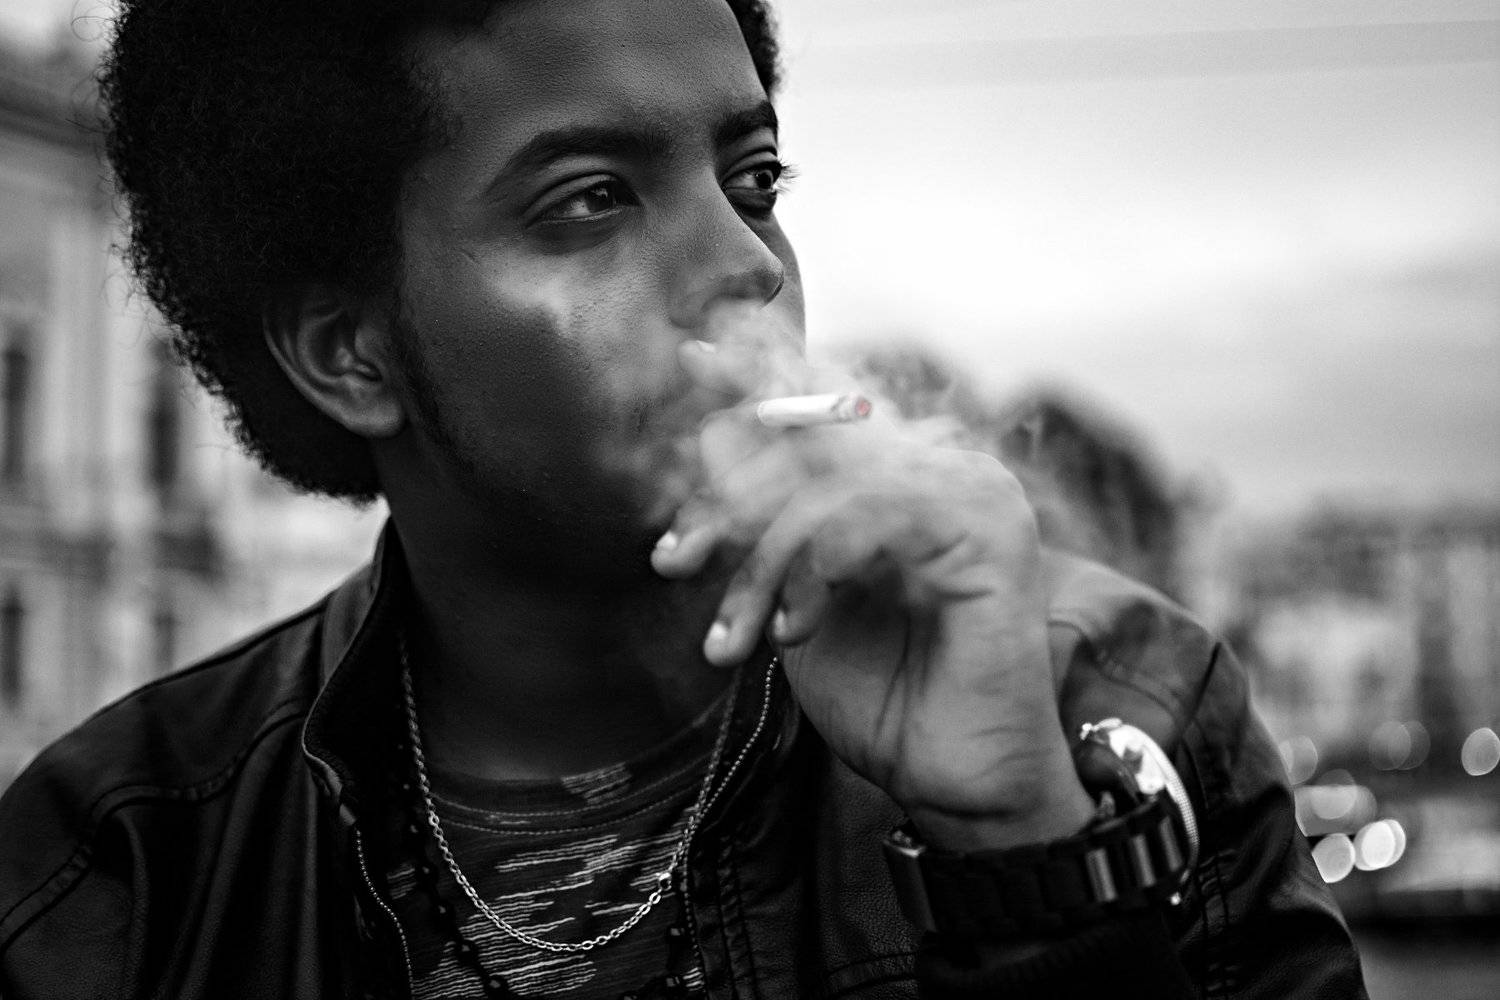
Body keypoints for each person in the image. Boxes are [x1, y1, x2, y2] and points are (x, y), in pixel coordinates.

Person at [0, 1, 1367, 997]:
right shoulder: (118, 867)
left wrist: (1021, 847)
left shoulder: (1121, 714)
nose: (747, 266)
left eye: (753, 179)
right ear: (350, 354)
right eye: (591, 200)